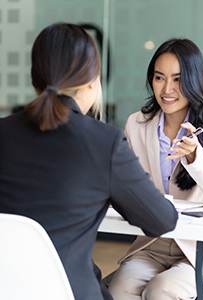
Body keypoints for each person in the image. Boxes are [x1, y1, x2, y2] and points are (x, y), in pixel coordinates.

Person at [0, 23, 179, 300]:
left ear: (35, 80)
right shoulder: (103, 143)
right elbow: (162, 220)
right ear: (93, 81)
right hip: (68, 291)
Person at [108, 38, 203, 300]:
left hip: (199, 250)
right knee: (118, 290)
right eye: (159, 78)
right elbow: (128, 188)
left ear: (194, 81)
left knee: (160, 291)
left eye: (178, 79)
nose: (167, 89)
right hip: (153, 243)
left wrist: (194, 157)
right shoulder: (137, 124)